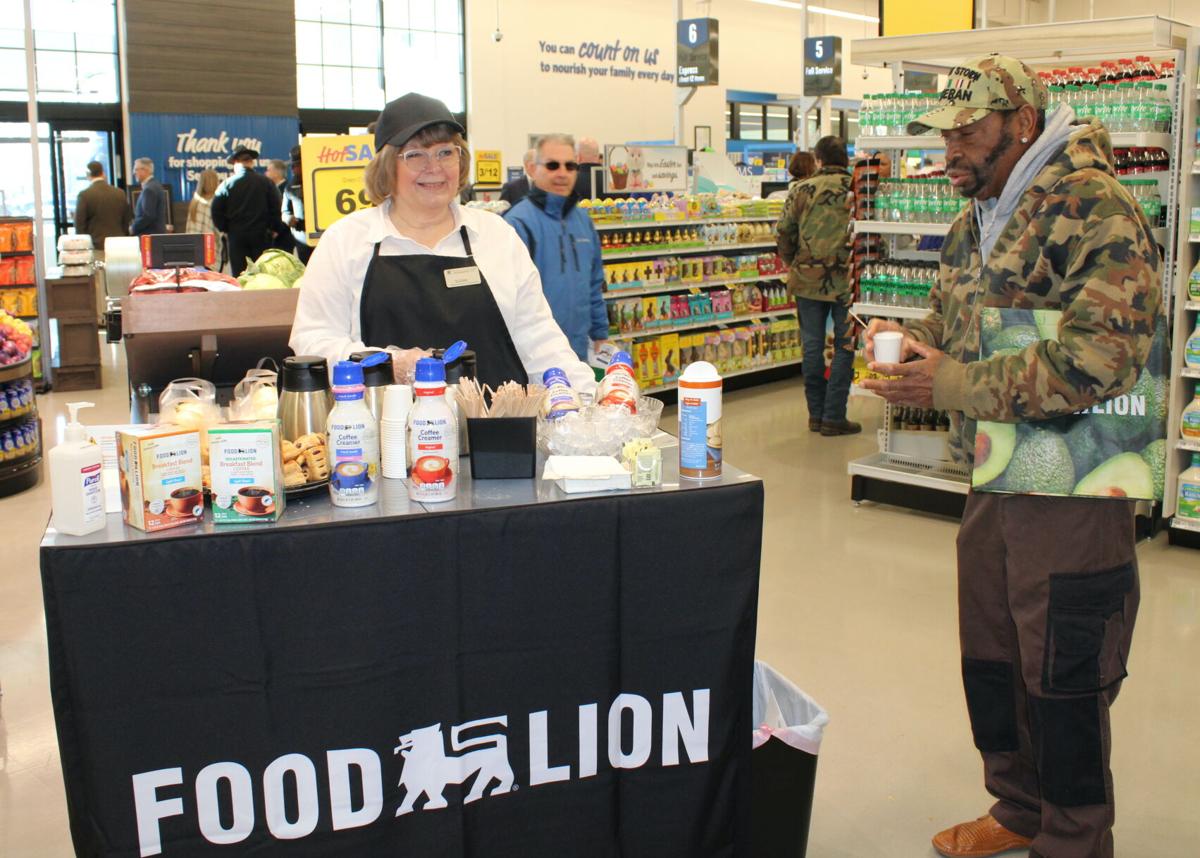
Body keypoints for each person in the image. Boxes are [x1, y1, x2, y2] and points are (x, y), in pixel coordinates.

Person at [861, 56, 1161, 858]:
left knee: (1064, 669)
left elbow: (1109, 356)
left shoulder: (1096, 205)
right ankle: (1020, 808)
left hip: (1070, 481)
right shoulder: (979, 211)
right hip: (994, 472)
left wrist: (957, 380)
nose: (950, 151)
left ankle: (1073, 836)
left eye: (968, 132)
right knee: (992, 650)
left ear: (1021, 121)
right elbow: (952, 323)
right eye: (944, 134)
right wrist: (916, 353)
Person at [290, 92, 594, 393]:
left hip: (496, 432)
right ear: (386, 165)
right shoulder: (346, 241)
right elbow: (313, 340)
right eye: (415, 155)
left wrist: (589, 395)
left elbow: (538, 337)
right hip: (388, 434)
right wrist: (386, 363)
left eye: (445, 152)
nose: (434, 167)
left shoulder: (496, 236)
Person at [774, 135, 855, 436]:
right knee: (845, 346)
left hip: (807, 279)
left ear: (818, 160)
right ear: (845, 158)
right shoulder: (857, 188)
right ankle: (834, 416)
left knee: (812, 346)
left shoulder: (801, 189)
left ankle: (815, 415)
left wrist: (794, 260)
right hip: (848, 279)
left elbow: (783, 232)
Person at [505, 133, 609, 362]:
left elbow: (594, 283)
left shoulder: (583, 221)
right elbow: (506, 300)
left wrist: (601, 334)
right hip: (532, 358)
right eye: (553, 165)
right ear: (532, 168)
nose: (562, 173)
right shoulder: (517, 224)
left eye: (570, 166)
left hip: (578, 352)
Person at [211, 146, 285, 276]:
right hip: (261, 236)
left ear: (235, 163)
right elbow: (277, 207)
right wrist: (274, 229)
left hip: (237, 238)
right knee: (262, 275)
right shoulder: (266, 183)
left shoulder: (226, 185)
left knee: (241, 275)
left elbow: (215, 211)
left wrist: (227, 228)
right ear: (251, 162)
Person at [73, 160, 131, 254]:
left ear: (88, 175)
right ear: (103, 173)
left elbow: (79, 225)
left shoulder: (85, 195)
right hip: (119, 245)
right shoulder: (120, 193)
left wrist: (83, 247)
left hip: (97, 245)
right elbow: (126, 220)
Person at [282, 144, 313, 264]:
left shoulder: (321, 180)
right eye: (293, 166)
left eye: (297, 165)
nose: (293, 169)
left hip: (322, 237)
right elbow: (284, 212)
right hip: (302, 238)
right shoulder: (290, 187)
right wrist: (288, 219)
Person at [130, 157, 167, 236]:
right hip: (155, 237)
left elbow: (147, 216)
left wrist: (133, 228)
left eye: (136, 169)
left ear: (145, 170)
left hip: (150, 238)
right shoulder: (155, 185)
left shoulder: (149, 189)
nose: (134, 172)